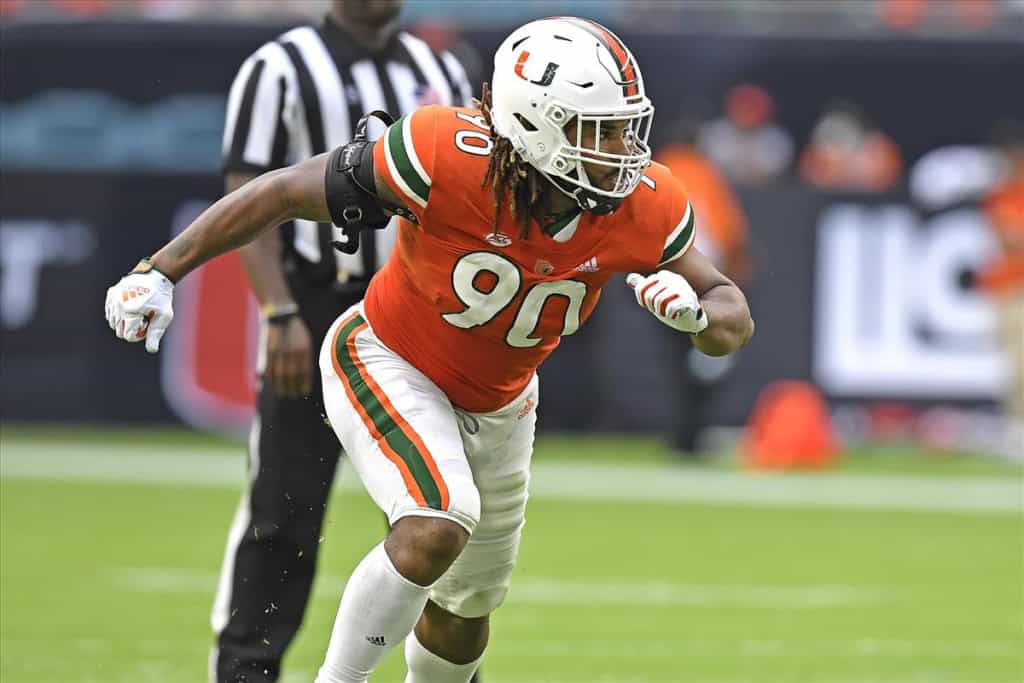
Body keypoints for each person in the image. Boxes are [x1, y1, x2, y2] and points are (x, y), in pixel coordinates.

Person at [104, 16, 754, 682]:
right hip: (389, 357)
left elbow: (731, 308)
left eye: (625, 128)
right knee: (437, 520)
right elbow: (279, 191)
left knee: (465, 609)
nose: (625, 150)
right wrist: (159, 269)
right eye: (603, 131)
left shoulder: (643, 204)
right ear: (538, 124)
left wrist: (702, 319)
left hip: (502, 403)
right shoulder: (447, 154)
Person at [213, 1, 473, 681]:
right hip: (317, 295)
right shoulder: (279, 68)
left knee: (449, 516)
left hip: (419, 314)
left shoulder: (439, 68)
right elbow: (252, 191)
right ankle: (245, 670)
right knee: (284, 508)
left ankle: (455, 672)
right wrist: (278, 309)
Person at [656, 114, 753, 453]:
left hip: (659, 278)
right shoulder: (706, 173)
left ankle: (681, 435)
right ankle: (692, 435)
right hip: (702, 282)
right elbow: (729, 232)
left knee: (677, 362)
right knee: (705, 359)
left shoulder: (660, 168)